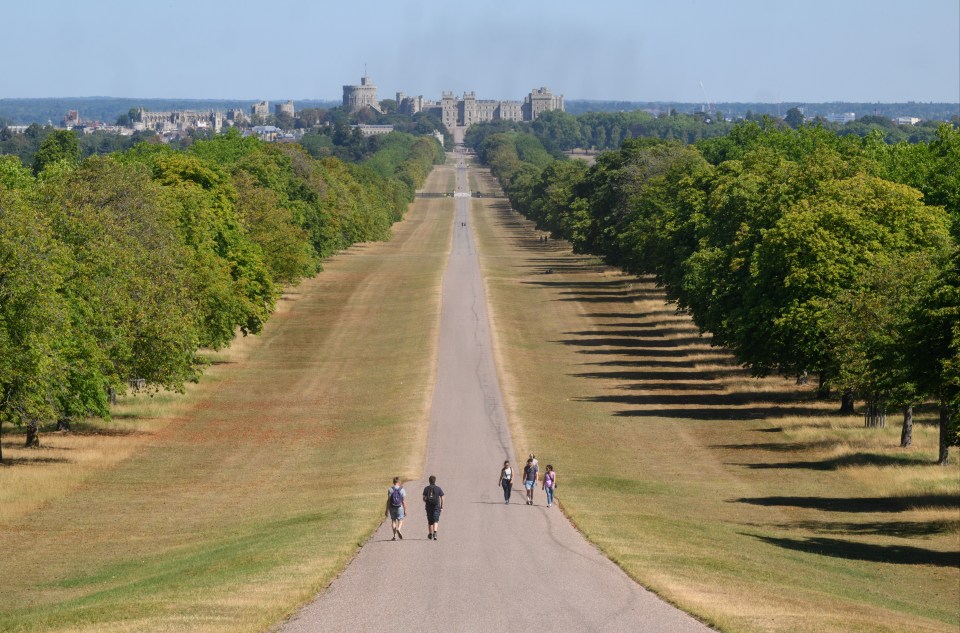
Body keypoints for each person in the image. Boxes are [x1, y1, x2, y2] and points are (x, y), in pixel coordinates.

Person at [422, 475, 445, 540]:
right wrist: (442, 506)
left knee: (430, 521)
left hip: (428, 506)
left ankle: (430, 534)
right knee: (436, 520)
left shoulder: (426, 488)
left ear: (429, 481)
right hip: (436, 506)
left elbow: (423, 498)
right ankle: (435, 532)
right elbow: (442, 497)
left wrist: (426, 500)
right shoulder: (438, 488)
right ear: (435, 481)